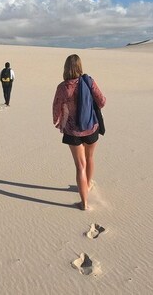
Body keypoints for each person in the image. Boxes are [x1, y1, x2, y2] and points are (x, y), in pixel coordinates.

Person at [52, 54, 106, 210]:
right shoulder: (88, 81)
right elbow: (102, 102)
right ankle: (87, 185)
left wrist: (57, 121)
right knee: (90, 158)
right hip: (91, 128)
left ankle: (84, 203)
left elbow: (56, 107)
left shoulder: (63, 87)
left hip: (72, 131)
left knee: (80, 166)